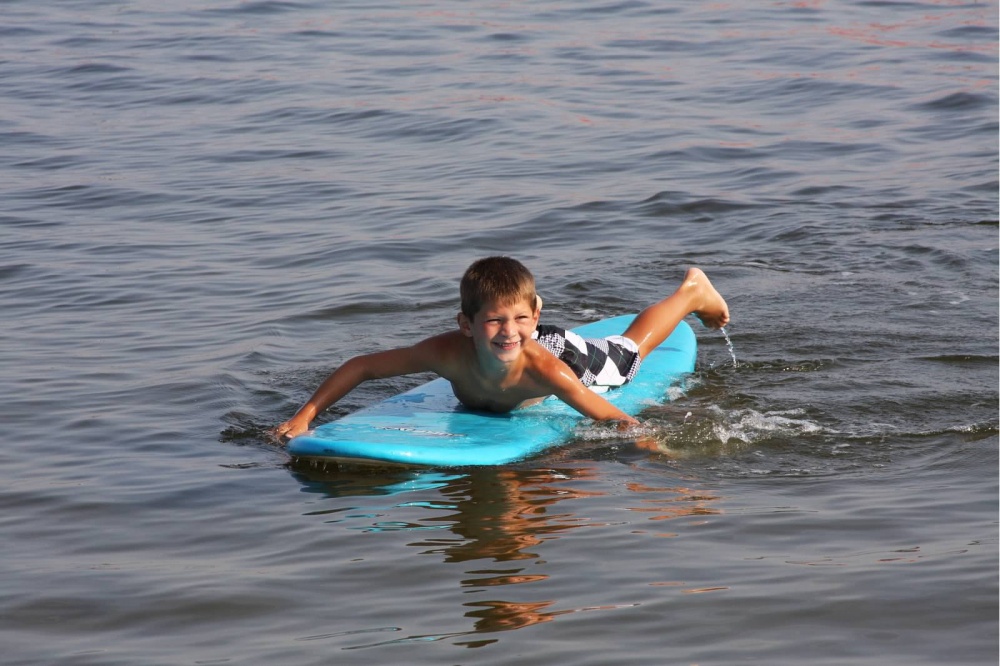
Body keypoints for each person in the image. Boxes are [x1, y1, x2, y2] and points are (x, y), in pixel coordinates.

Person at [273, 256, 729, 440]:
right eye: (494, 320)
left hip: (562, 352)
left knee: (625, 356)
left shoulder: (546, 371)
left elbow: (612, 417)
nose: (507, 332)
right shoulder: (445, 353)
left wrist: (649, 447)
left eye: (519, 319)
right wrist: (305, 415)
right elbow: (362, 366)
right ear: (466, 325)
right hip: (535, 343)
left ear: (535, 313)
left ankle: (691, 292)